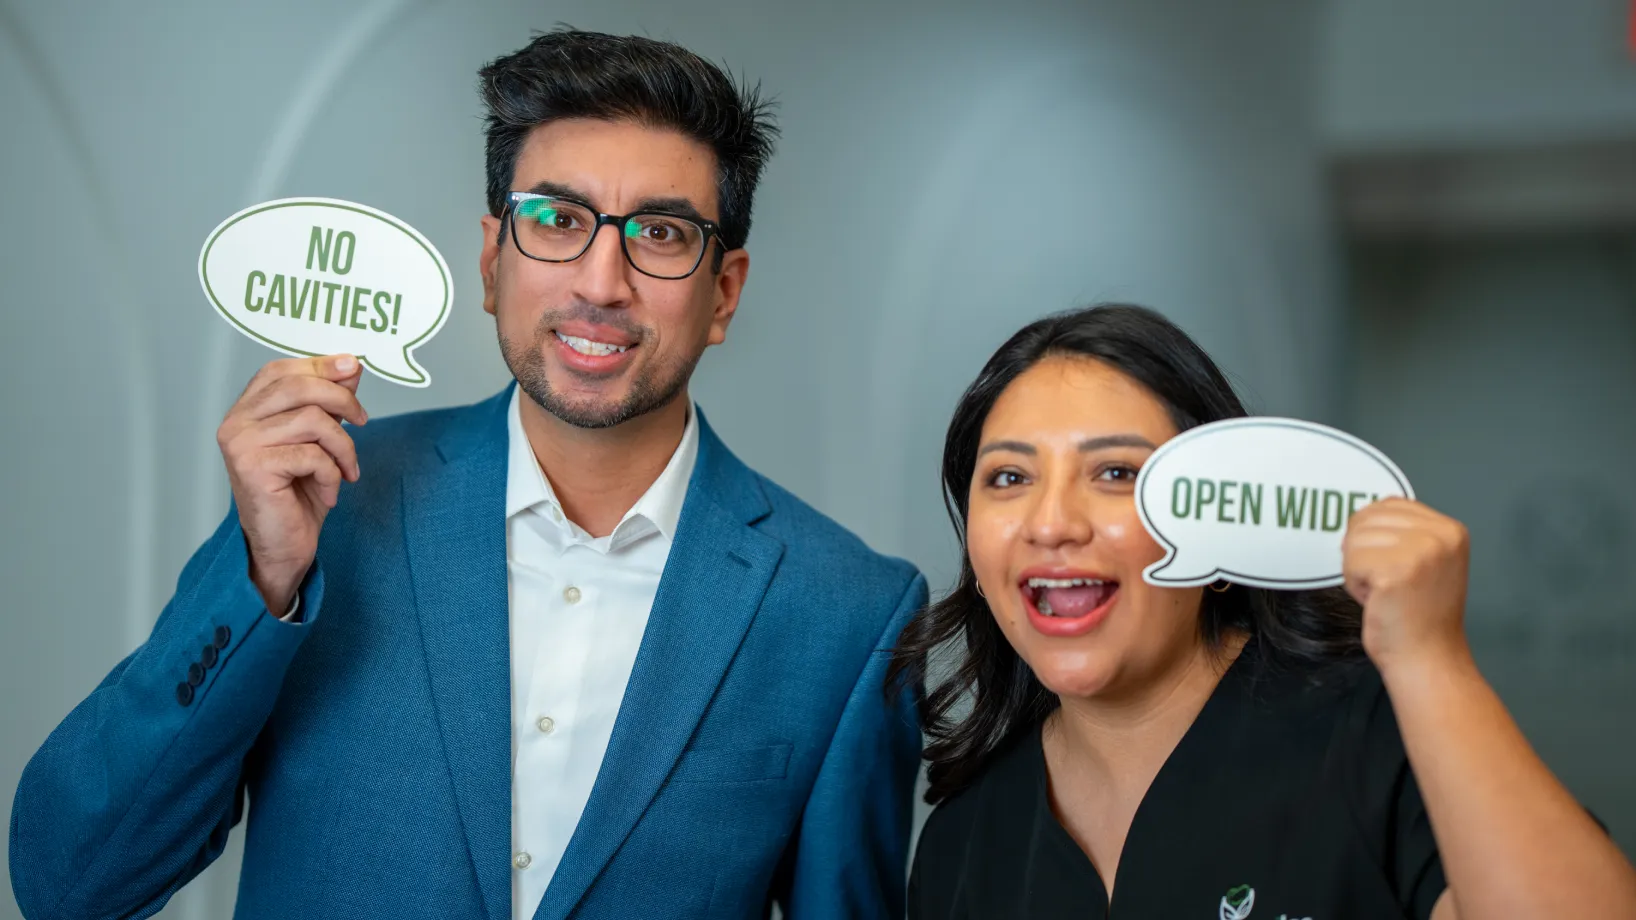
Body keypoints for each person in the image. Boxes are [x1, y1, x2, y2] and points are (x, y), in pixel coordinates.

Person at [11, 29, 925, 920]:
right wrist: (263, 578)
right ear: (494, 263)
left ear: (723, 292)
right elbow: (71, 886)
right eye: (558, 221)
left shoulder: (848, 613)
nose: (601, 282)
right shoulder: (332, 500)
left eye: (660, 232)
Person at [893, 304, 1636, 919]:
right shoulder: (967, 840)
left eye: (1117, 473)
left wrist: (1431, 661)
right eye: (1010, 476)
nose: (1051, 522)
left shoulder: (1370, 737)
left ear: (1218, 525)